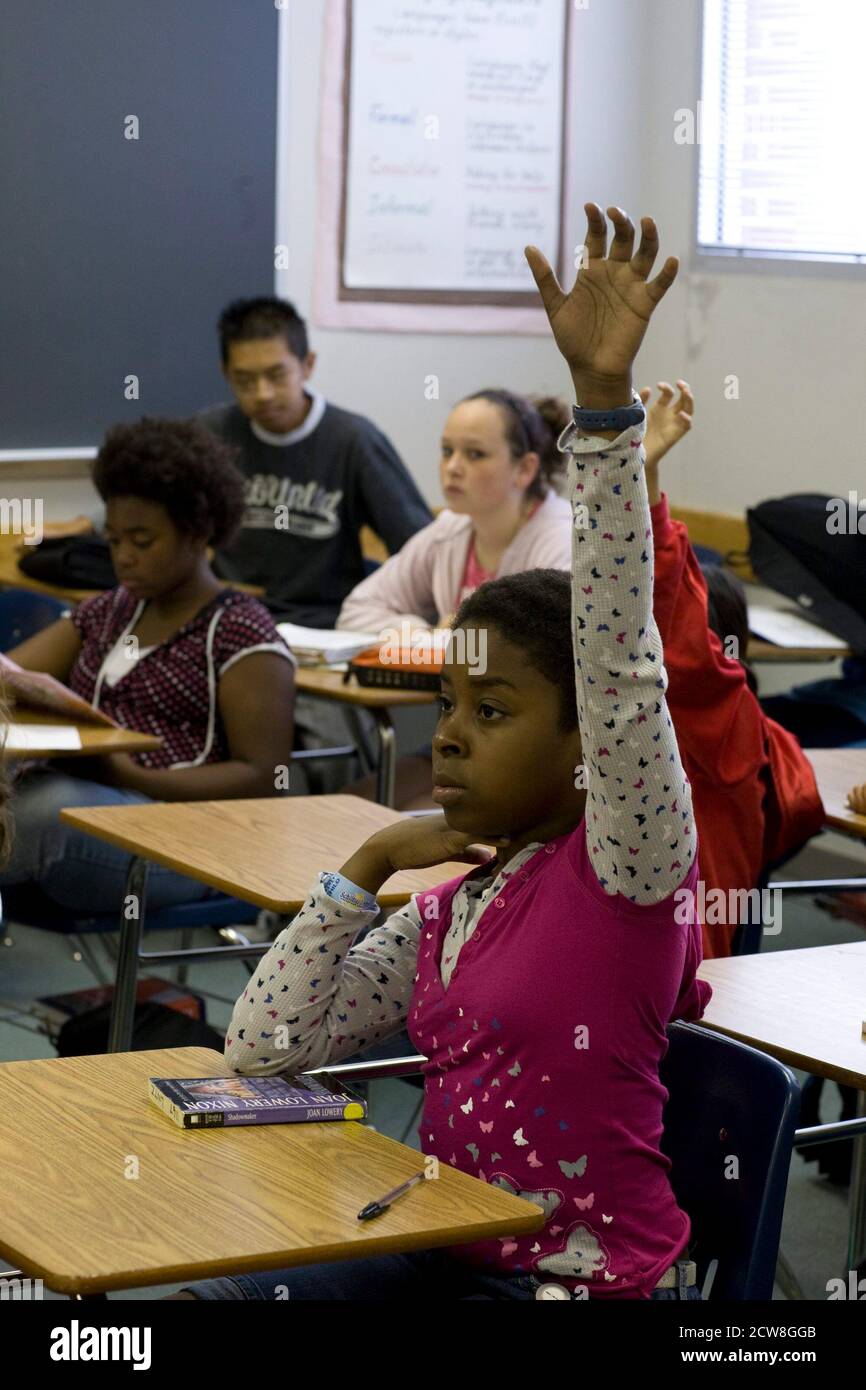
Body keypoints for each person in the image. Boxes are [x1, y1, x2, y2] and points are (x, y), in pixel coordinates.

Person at [175, 204, 710, 1301]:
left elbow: (617, 668)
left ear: (585, 751)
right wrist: (365, 868)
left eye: (494, 711)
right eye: (450, 705)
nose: (451, 734)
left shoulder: (627, 872)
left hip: (567, 1277)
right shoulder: (455, 907)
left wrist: (603, 408)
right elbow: (265, 1053)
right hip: (432, 1241)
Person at [0, 418, 295, 914]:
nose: (123, 558)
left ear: (197, 531)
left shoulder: (241, 631)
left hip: (189, 835)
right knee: (31, 807)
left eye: (142, 540)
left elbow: (263, 778)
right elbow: (11, 676)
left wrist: (129, 775)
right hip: (88, 797)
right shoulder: (110, 610)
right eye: (114, 541)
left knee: (36, 817)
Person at [642, 382, 824, 957]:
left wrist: (639, 485)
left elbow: (670, 618)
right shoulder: (617, 716)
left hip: (676, 1006)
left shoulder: (721, 727)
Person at [198, 297, 433, 628]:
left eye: (276, 375)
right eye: (245, 380)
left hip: (326, 623)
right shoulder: (209, 435)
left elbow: (420, 549)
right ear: (225, 374)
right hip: (230, 616)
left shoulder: (354, 440)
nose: (263, 393)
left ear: (307, 365)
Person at [336, 390, 573, 639]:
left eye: (475, 454)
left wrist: (456, 637)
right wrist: (424, 634)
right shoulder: (450, 529)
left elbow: (554, 645)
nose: (452, 468)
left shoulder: (562, 539)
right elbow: (356, 610)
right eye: (447, 451)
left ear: (525, 468)